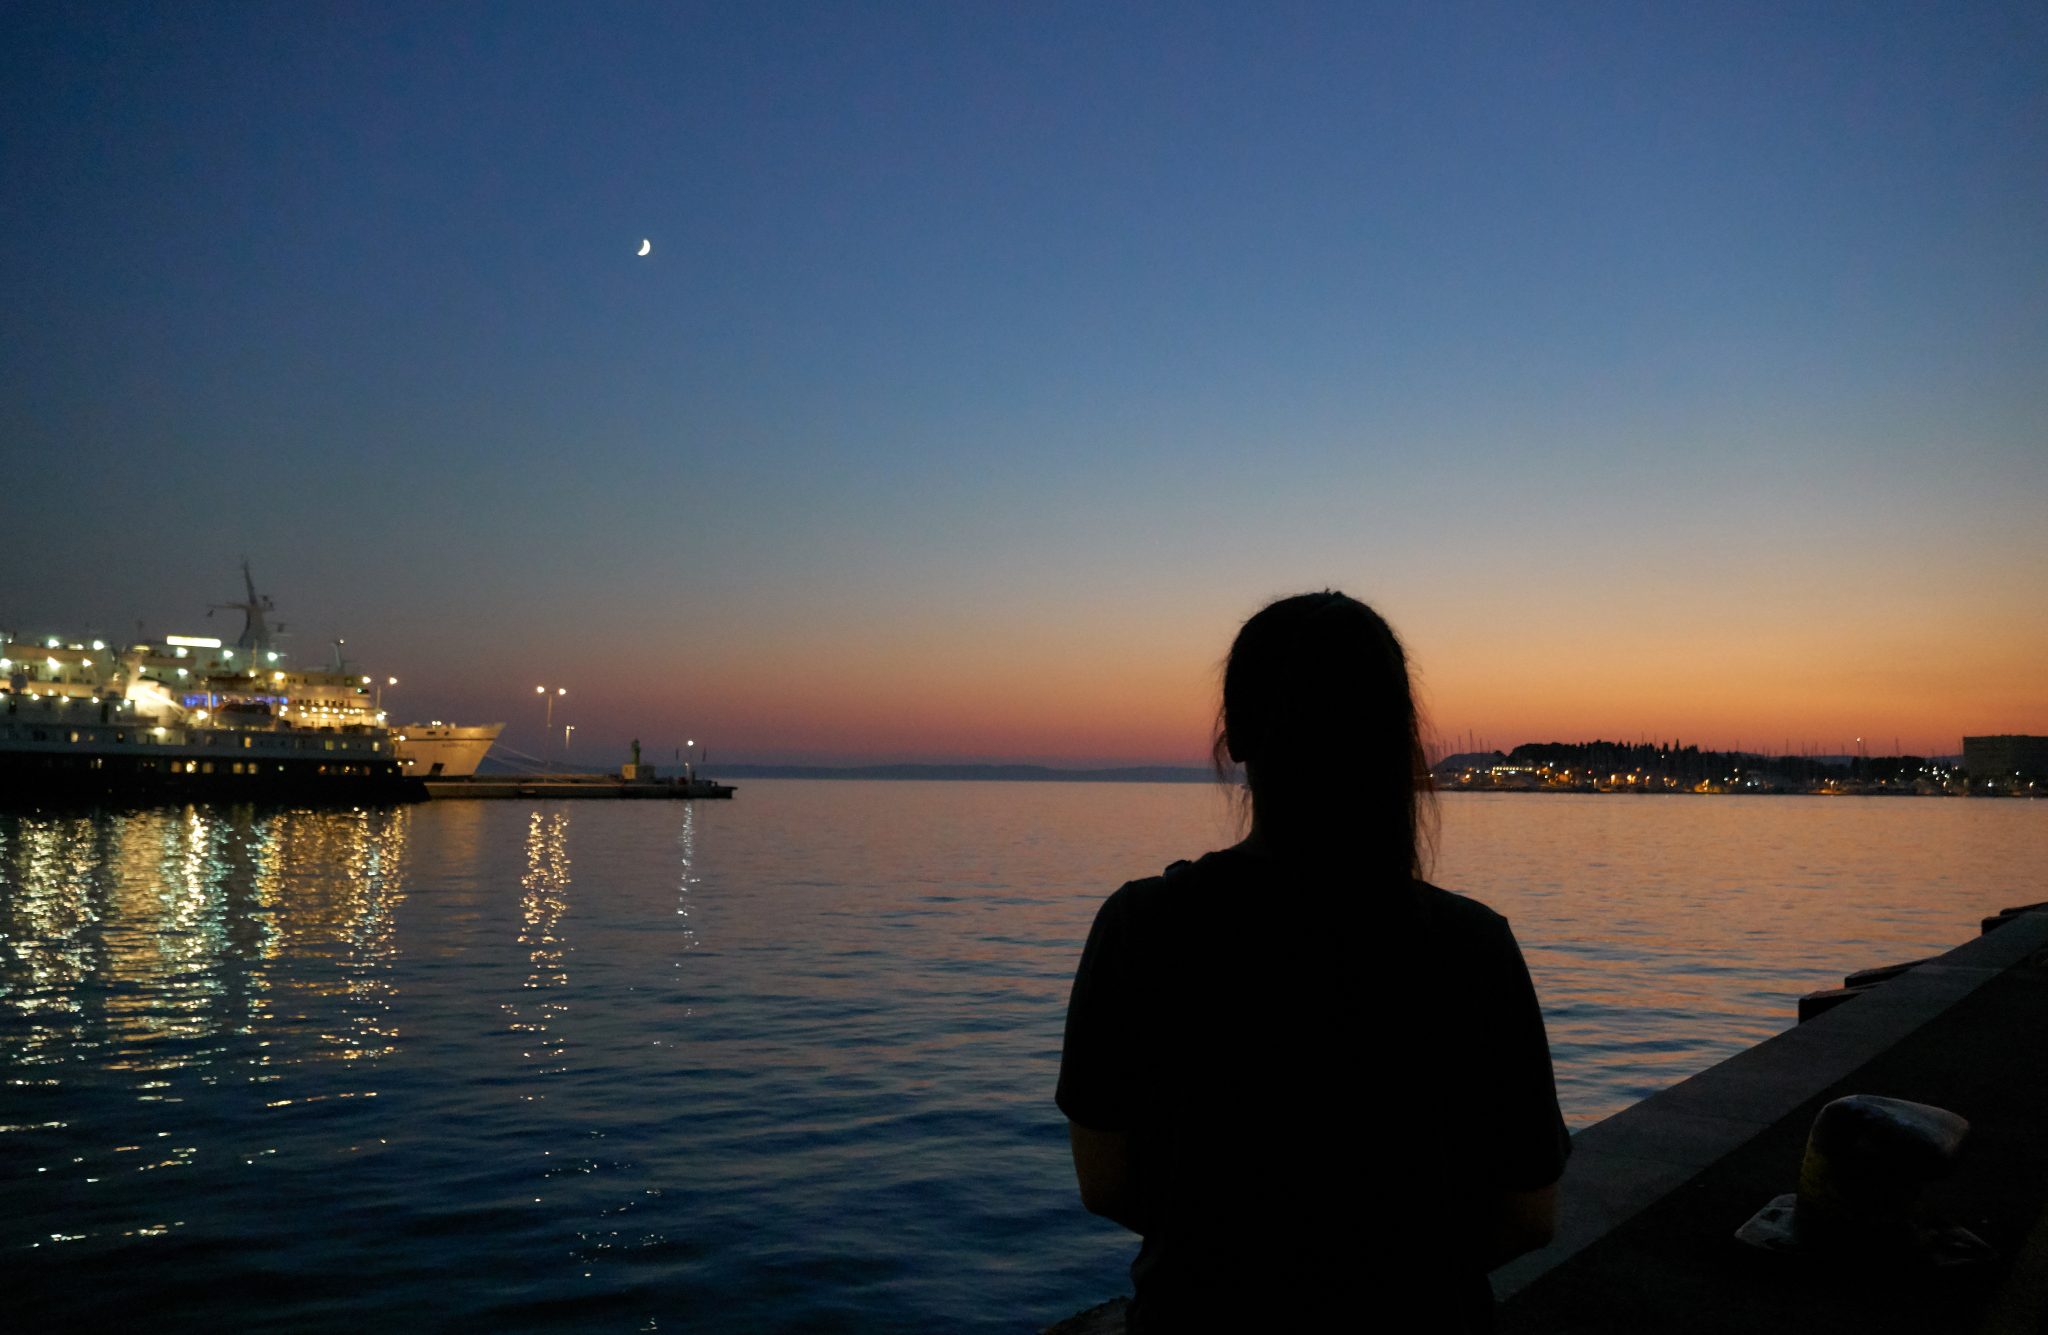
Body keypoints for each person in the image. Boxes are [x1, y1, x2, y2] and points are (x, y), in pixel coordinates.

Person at [1056, 591, 1569, 1332]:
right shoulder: (1473, 945)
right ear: (1394, 738)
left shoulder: (1143, 927)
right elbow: (1528, 1213)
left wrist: (1235, 1253)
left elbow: (1105, 1182)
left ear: (1236, 736)